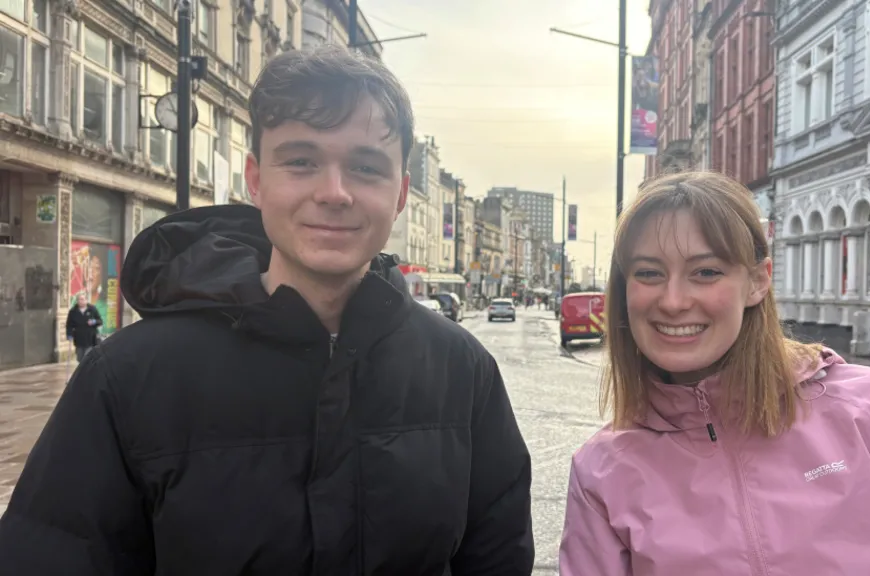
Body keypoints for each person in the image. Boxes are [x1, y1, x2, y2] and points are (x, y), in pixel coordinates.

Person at [0, 45, 533, 575]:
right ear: (256, 180)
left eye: (366, 167)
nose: (334, 192)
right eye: (301, 161)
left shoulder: (463, 372)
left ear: (400, 194)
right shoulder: (126, 378)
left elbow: (497, 557)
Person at [558, 171, 870, 575]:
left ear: (758, 281)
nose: (674, 300)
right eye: (650, 273)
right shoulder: (603, 472)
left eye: (706, 272)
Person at [64, 292, 103, 361]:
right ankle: (82, 370)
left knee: (87, 358)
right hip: (79, 339)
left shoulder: (92, 309)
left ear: (86, 300)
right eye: (79, 299)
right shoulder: (73, 311)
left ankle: (87, 371)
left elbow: (100, 321)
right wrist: (69, 334)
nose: (81, 301)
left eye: (82, 299)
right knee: (80, 358)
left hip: (90, 339)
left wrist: (94, 322)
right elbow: (69, 325)